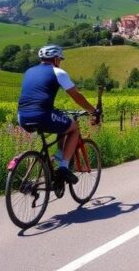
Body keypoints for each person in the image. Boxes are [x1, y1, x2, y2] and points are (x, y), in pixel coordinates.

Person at [17, 45, 98, 185]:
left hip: (22, 116)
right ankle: (63, 167)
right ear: (55, 59)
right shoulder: (58, 72)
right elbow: (77, 97)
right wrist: (93, 111)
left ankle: (54, 158)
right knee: (73, 128)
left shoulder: (29, 71)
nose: (60, 62)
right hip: (42, 114)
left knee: (61, 123)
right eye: (59, 59)